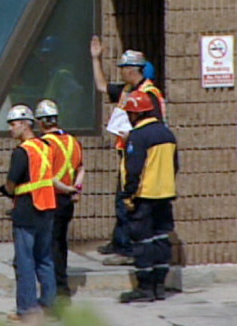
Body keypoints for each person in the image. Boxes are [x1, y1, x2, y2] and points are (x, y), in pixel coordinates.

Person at [90, 36, 167, 265]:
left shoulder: (149, 93)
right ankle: (120, 241)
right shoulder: (127, 90)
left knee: (129, 199)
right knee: (121, 197)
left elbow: (152, 127)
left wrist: (132, 137)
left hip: (140, 155)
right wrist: (96, 58)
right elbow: (102, 86)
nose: (121, 72)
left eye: (124, 68)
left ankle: (127, 249)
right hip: (126, 151)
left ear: (134, 70)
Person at [0, 104, 59, 321]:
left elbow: (12, 183)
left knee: (25, 261)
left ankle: (27, 310)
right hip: (47, 207)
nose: (10, 129)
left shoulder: (22, 151)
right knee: (45, 259)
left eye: (13, 124)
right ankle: (50, 308)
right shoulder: (45, 146)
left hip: (27, 209)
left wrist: (7, 191)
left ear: (25, 124)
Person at [118, 91, 177, 303]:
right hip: (165, 193)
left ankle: (145, 288)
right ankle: (160, 285)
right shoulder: (167, 134)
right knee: (162, 238)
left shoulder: (138, 136)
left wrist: (128, 195)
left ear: (135, 114)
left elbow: (134, 169)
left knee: (142, 241)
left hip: (144, 195)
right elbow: (175, 165)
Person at [35, 99, 85, 302]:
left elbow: (49, 177)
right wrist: (76, 189)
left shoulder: (44, 145)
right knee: (61, 244)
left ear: (40, 122)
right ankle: (61, 288)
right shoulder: (73, 141)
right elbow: (81, 168)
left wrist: (67, 188)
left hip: (52, 200)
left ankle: (57, 291)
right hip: (67, 202)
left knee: (50, 247)